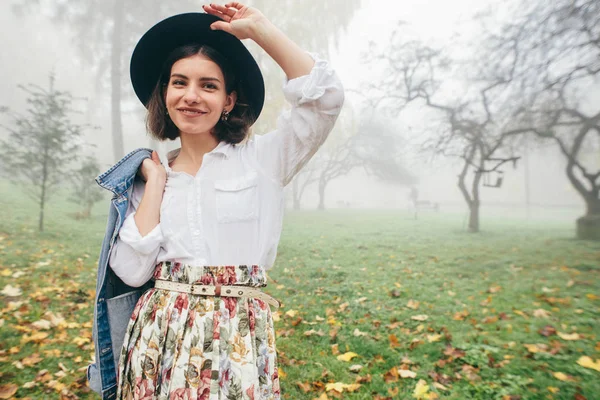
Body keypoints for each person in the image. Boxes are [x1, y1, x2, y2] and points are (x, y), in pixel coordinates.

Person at [88, 3, 344, 399]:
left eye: (208, 85)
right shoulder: (145, 177)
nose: (191, 96)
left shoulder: (264, 160)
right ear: (165, 93)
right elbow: (133, 272)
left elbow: (324, 99)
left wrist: (261, 30)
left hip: (236, 338)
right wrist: (155, 183)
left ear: (228, 100)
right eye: (179, 82)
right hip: (159, 338)